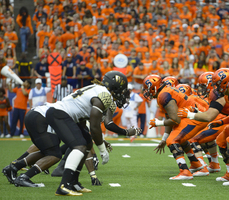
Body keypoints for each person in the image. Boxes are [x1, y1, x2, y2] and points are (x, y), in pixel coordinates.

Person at [2, 72, 140, 195]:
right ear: (114, 87)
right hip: (57, 114)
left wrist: (98, 141)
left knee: (84, 142)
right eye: (121, 90)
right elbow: (94, 126)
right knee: (74, 147)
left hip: (61, 114)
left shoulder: (100, 91)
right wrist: (103, 150)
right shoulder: (104, 95)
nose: (122, 94)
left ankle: (73, 182)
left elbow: (87, 123)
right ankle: (65, 184)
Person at [143, 75, 209, 180]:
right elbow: (171, 118)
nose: (146, 91)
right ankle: (196, 164)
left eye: (147, 88)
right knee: (179, 138)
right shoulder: (164, 92)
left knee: (172, 140)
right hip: (191, 113)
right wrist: (163, 139)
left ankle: (185, 172)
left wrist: (158, 123)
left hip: (194, 115)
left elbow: (175, 120)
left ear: (153, 87)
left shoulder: (163, 95)